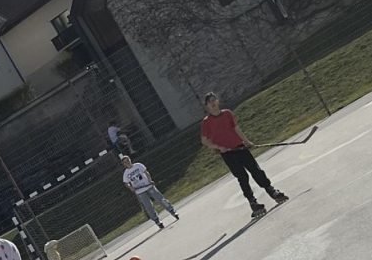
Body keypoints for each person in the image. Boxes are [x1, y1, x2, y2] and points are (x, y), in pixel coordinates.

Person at [199, 90, 288, 219]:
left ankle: (271, 190)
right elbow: (204, 140)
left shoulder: (227, 113)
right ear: (206, 106)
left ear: (218, 101)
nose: (213, 103)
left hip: (240, 148)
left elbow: (236, 128)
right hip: (228, 153)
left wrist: (246, 141)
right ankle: (253, 202)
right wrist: (219, 147)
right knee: (242, 177)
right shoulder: (206, 122)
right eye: (209, 102)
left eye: (214, 100)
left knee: (256, 170)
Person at [119, 153, 178, 229]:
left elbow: (146, 172)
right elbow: (126, 183)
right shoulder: (126, 173)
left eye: (128, 160)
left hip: (149, 186)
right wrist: (131, 188)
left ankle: (172, 211)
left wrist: (150, 180)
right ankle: (157, 221)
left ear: (130, 160)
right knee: (148, 206)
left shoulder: (138, 165)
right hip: (140, 191)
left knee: (160, 199)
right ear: (124, 164)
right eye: (125, 162)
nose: (127, 162)